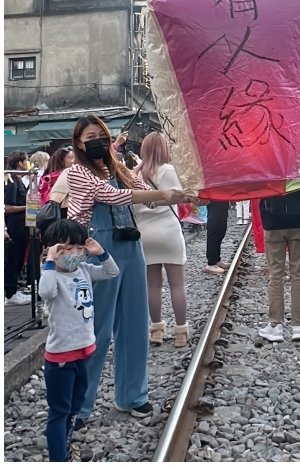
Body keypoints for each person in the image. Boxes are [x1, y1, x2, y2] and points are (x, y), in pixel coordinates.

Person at [65, 115, 191, 425]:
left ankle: (133, 396)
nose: (96, 141)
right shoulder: (78, 172)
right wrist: (160, 195)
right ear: (79, 144)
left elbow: (147, 195)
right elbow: (112, 196)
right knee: (96, 330)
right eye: (89, 136)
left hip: (132, 247)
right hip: (95, 250)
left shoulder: (120, 169)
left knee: (135, 324)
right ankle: (78, 407)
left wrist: (187, 193)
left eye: (101, 135)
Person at [38, 219, 119, 462]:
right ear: (52, 250)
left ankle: (65, 445)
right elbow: (45, 292)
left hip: (83, 351)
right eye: (67, 248)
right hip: (61, 357)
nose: (74, 253)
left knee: (75, 406)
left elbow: (111, 272)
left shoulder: (83, 269)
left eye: (78, 247)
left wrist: (100, 252)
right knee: (59, 411)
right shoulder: (52, 276)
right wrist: (50, 261)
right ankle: (59, 458)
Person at [133, 132, 189, 348]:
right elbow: (184, 195)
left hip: (144, 233)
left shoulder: (134, 174)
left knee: (153, 286)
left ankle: (156, 330)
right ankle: (181, 332)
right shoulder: (169, 171)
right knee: (177, 285)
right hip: (169, 232)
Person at [257, 188, 300, 342]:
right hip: (299, 217)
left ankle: (275, 327)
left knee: (276, 274)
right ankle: (299, 325)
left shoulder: (267, 163)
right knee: (299, 273)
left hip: (273, 217)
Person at [5, 150, 32, 306]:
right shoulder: (11, 181)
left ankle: (13, 289)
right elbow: (6, 207)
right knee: (13, 258)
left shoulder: (18, 180)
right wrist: (26, 207)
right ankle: (10, 293)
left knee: (19, 257)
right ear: (20, 163)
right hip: (14, 225)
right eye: (26, 160)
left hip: (21, 225)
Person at [204, 200, 232, 276]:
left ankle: (216, 259)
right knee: (215, 230)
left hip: (221, 199)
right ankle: (211, 263)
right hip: (215, 199)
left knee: (221, 230)